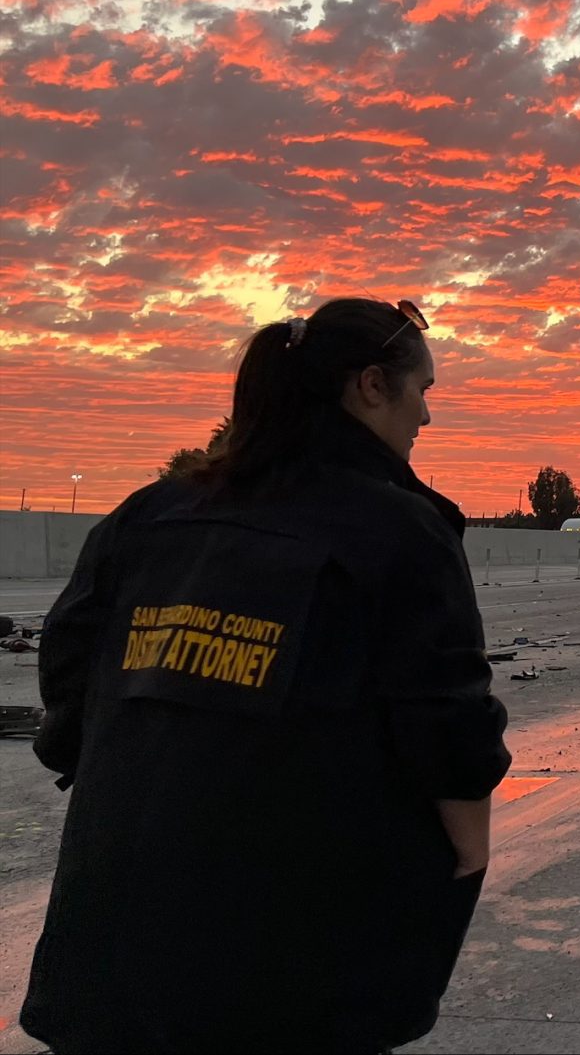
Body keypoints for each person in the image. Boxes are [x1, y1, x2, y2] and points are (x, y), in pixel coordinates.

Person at [20, 297, 511, 1053]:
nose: (426, 415)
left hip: (113, 930)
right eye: (423, 390)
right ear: (370, 386)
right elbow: (448, 723)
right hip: (295, 946)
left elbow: (69, 668)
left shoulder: (150, 513)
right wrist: (469, 854)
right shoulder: (397, 529)